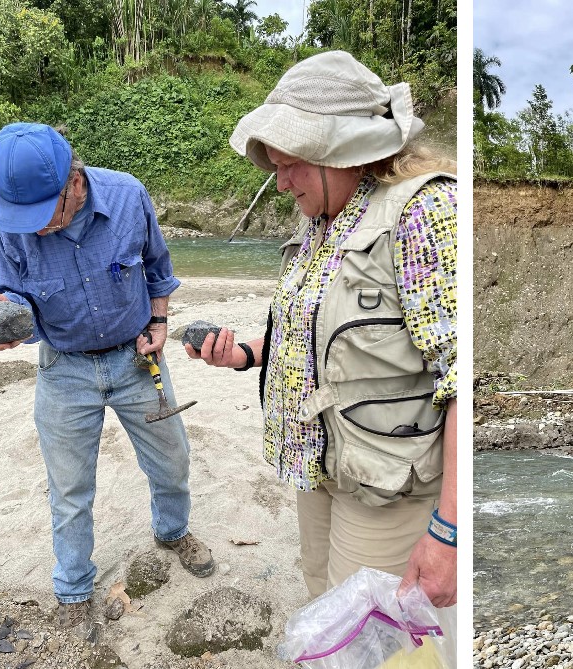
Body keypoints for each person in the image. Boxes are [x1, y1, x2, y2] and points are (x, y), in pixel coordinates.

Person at [185, 51, 457, 615]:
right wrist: (243, 355)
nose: (280, 183)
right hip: (320, 469)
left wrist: (449, 530)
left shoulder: (424, 212)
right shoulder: (322, 220)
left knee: (377, 639)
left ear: (345, 153)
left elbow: (461, 374)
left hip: (386, 488)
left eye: (291, 165)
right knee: (326, 606)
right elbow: (328, 344)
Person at [0, 123, 213, 643]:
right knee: (69, 488)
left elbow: (157, 267)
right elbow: (14, 298)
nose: (32, 229)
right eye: (21, 218)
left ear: (75, 184)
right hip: (63, 369)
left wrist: (159, 322)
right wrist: (6, 325)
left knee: (172, 458)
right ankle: (73, 590)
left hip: (135, 361)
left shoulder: (128, 196)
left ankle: (173, 532)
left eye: (43, 216)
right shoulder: (11, 223)